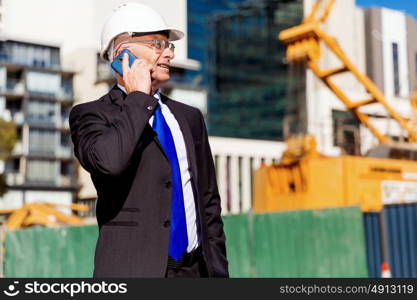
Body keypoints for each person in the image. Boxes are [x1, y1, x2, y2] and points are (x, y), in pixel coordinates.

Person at [69, 3, 229, 278]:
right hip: (134, 272)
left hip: (196, 272)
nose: (169, 53)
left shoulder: (189, 117)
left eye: (169, 46)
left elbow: (208, 201)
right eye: (158, 44)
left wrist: (217, 271)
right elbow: (110, 163)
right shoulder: (90, 115)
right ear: (123, 53)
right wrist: (138, 98)